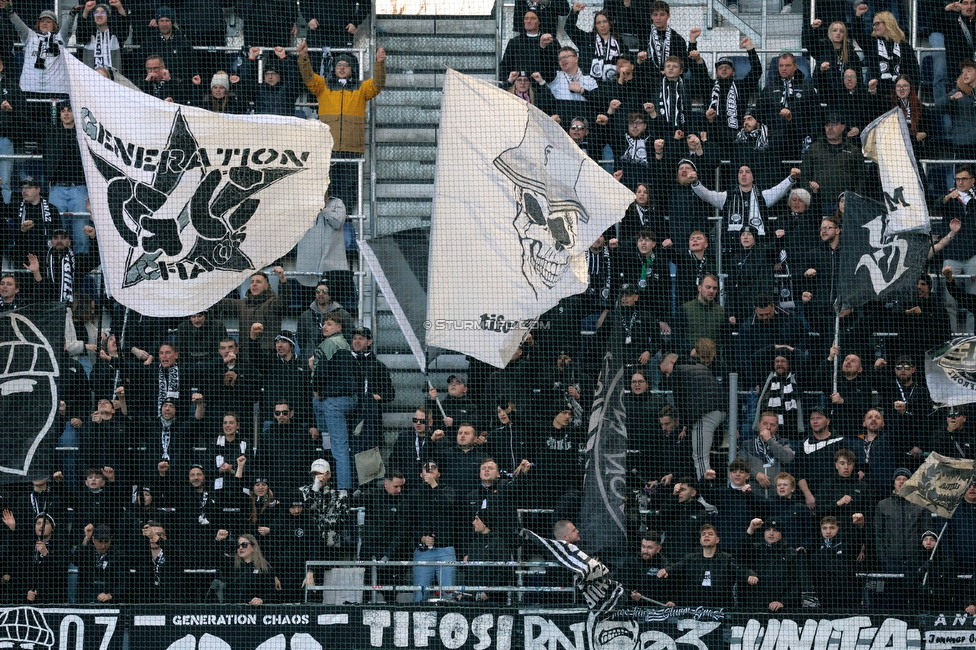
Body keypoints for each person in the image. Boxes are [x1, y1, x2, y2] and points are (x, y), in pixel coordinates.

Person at [297, 41, 386, 209]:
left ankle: (347, 223)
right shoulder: (323, 86)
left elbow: (378, 84)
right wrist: (303, 57)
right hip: (327, 149)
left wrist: (379, 64)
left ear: (352, 69)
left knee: (349, 190)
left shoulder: (362, 88)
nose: (342, 68)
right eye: (339, 65)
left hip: (351, 150)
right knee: (326, 187)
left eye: (346, 65)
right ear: (334, 68)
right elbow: (308, 77)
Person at [310, 313, 361, 492]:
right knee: (338, 445)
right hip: (349, 401)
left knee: (340, 449)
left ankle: (343, 491)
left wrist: (317, 388)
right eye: (324, 324)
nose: (325, 327)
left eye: (329, 324)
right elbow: (358, 373)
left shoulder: (329, 344)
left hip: (334, 403)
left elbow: (320, 373)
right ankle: (324, 448)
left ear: (339, 327)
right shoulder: (346, 345)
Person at [690, 164, 801, 244]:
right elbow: (707, 195)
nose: (743, 175)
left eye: (747, 172)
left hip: (758, 245)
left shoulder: (762, 196)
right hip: (732, 245)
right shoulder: (726, 196)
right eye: (740, 172)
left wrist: (791, 178)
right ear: (737, 176)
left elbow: (779, 190)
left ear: (753, 176)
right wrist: (695, 183)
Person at [660, 345, 726, 479]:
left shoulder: (678, 370)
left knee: (700, 456)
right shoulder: (699, 366)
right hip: (720, 410)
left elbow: (681, 401)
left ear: (672, 362)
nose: (667, 376)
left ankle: (705, 492)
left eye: (666, 372)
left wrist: (685, 424)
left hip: (705, 414)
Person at [656, 524, 757, 608]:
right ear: (700, 540)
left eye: (710, 534)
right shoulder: (691, 558)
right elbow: (675, 568)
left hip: (720, 608)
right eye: (703, 534)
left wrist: (750, 575)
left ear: (717, 540)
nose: (706, 536)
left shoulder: (726, 559)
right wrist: (666, 570)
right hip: (693, 607)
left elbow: (740, 569)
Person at [755, 53, 821, 160]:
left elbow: (816, 117)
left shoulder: (807, 89)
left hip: (798, 141)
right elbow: (759, 113)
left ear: (795, 67)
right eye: (781, 66)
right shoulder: (769, 88)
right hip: (774, 142)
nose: (784, 68)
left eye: (787, 65)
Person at [216, 267, 289, 362]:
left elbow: (286, 299)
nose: (254, 284)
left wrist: (282, 279)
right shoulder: (242, 304)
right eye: (252, 282)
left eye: (258, 282)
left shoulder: (273, 303)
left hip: (267, 357)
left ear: (267, 285)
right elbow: (219, 303)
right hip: (246, 356)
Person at [411, 460, 460, 601]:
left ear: (439, 473)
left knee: (448, 595)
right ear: (421, 474)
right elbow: (407, 523)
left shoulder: (448, 490)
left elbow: (448, 506)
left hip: (446, 550)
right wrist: (421, 538)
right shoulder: (414, 494)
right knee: (420, 595)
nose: (430, 470)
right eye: (426, 468)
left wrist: (434, 485)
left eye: (434, 467)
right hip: (423, 552)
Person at [295, 191, 352, 312]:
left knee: (334, 311)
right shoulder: (301, 205)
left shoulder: (337, 203)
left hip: (332, 270)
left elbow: (338, 223)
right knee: (309, 310)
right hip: (308, 269)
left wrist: (324, 208)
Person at [704, 39, 763, 152]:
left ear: (734, 72)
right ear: (716, 73)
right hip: (713, 133)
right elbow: (699, 71)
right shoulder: (709, 86)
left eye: (727, 67)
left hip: (737, 135)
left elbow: (757, 71)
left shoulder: (742, 86)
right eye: (720, 68)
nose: (724, 69)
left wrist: (750, 49)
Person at [853, 5, 920, 99]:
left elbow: (914, 73)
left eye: (877, 24)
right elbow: (858, 34)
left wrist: (911, 96)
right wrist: (858, 16)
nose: (874, 27)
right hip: (877, 99)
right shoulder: (872, 44)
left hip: (899, 98)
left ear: (887, 23)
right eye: (873, 25)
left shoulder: (904, 47)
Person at [802, 114, 865, 209]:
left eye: (834, 124)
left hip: (847, 204)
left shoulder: (854, 151)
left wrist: (855, 198)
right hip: (819, 204)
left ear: (843, 127)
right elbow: (804, 176)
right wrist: (810, 189)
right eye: (827, 125)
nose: (830, 128)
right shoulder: (814, 149)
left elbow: (861, 178)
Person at [740, 518, 802, 612]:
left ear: (781, 534)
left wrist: (782, 601)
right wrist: (751, 529)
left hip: (784, 608)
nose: (771, 533)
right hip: (757, 606)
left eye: (775, 530)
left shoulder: (791, 553)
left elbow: (798, 582)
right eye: (768, 530)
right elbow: (740, 554)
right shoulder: (755, 550)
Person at [811, 514, 866, 610]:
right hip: (826, 600)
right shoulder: (816, 549)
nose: (828, 531)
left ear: (838, 529)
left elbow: (863, 538)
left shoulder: (848, 545)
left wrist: (861, 526)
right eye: (824, 528)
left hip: (849, 599)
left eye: (832, 528)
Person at [9, 177, 61, 267]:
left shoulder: (52, 209)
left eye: (28, 188)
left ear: (38, 190)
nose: (24, 191)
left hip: (45, 257)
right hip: (22, 257)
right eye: (23, 188)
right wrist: (22, 230)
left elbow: (59, 232)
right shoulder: (16, 207)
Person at [742, 411, 796, 498]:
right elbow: (740, 465)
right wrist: (756, 474)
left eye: (772, 425)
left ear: (777, 427)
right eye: (765, 424)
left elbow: (788, 458)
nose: (768, 427)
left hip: (777, 497)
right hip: (754, 497)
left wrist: (770, 441)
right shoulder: (747, 445)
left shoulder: (783, 442)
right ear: (759, 424)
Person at [564, 4, 623, 83]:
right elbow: (569, 28)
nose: (602, 25)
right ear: (595, 25)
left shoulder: (619, 42)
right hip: (589, 84)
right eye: (598, 23)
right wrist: (574, 12)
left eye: (604, 21)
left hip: (612, 84)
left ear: (610, 23)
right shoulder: (586, 39)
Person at [73, 524, 128, 604]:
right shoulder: (86, 553)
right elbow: (75, 560)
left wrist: (111, 595)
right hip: (87, 600)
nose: (103, 545)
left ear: (111, 540)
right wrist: (86, 538)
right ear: (93, 539)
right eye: (100, 541)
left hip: (110, 603)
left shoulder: (119, 556)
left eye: (106, 542)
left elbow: (124, 581)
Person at [217, 533, 276, 605]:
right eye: (238, 545)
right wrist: (218, 540)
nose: (240, 548)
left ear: (253, 548)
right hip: (231, 611)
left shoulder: (264, 567)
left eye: (244, 545)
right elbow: (214, 558)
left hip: (254, 611)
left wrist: (262, 600)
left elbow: (271, 593)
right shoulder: (231, 565)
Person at [75, 0, 130, 73]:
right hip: (91, 78)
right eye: (96, 13)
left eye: (103, 12)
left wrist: (119, 7)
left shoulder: (115, 34)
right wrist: (86, 11)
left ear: (108, 16)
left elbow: (125, 27)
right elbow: (80, 33)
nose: (99, 15)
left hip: (113, 79)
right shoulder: (89, 34)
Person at [937, 60, 976, 161]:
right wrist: (951, 99)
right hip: (963, 144)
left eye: (968, 71)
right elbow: (938, 107)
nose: (965, 74)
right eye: (963, 72)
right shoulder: (957, 92)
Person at [618, 531, 672, 604]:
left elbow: (672, 588)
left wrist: (672, 601)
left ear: (658, 549)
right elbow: (623, 585)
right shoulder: (631, 562)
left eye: (649, 547)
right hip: (635, 606)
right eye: (643, 546)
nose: (645, 551)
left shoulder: (664, 564)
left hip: (658, 607)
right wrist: (631, 593)